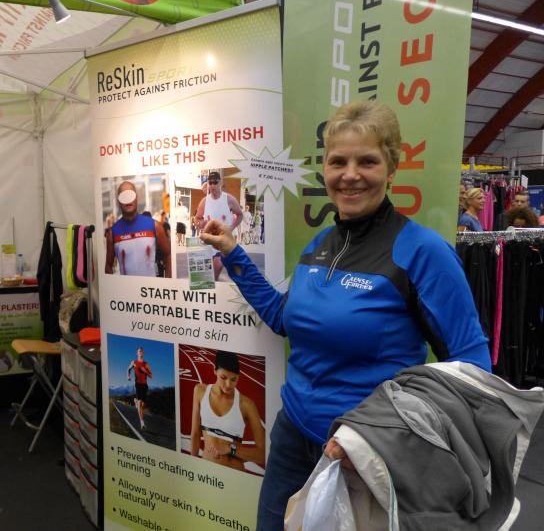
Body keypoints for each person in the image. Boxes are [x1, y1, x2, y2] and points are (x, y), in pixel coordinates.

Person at [200, 100, 490, 530]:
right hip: (291, 437)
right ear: (325, 170)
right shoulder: (319, 244)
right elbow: (283, 318)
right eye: (338, 161)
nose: (350, 174)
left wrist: (377, 439)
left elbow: (472, 371)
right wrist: (233, 253)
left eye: (367, 161)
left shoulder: (423, 252)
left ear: (392, 168)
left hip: (364, 458)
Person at [190, 350, 265, 472]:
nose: (228, 384)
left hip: (234, 476)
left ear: (238, 377)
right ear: (215, 371)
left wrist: (231, 449)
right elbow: (195, 434)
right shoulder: (200, 391)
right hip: (206, 473)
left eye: (233, 379)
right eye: (223, 378)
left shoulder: (246, 405)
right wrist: (191, 468)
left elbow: (263, 455)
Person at [105, 180, 172, 277]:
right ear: (118, 201)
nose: (128, 200)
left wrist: (168, 282)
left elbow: (168, 254)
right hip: (126, 287)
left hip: (151, 286)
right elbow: (108, 266)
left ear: (136, 198)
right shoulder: (112, 233)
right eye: (124, 196)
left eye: (130, 195)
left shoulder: (155, 226)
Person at [194, 171, 244, 280]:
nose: (212, 185)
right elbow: (196, 218)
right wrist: (200, 224)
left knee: (214, 273)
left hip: (222, 243)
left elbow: (240, 215)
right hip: (207, 242)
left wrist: (231, 227)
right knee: (204, 279)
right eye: (210, 183)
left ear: (220, 183)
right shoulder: (204, 201)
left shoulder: (229, 199)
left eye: (215, 182)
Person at [127, 347, 152, 429]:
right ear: (137, 353)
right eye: (139, 351)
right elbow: (128, 369)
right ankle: (142, 423)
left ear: (143, 353)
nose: (140, 352)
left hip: (145, 385)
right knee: (140, 402)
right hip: (137, 384)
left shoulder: (146, 364)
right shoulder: (134, 362)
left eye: (141, 351)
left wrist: (145, 371)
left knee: (142, 404)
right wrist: (128, 376)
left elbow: (151, 375)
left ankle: (136, 401)